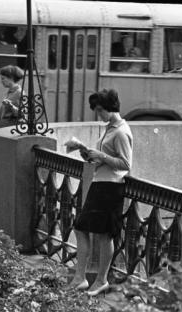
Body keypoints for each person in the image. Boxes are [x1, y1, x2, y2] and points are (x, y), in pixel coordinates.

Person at [68, 89, 133, 296]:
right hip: (101, 184)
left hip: (111, 187)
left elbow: (125, 164)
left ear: (108, 109)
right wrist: (86, 153)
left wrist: (101, 156)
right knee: (81, 227)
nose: (98, 114)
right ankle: (81, 278)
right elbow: (102, 159)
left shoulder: (121, 131)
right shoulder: (110, 128)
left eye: (99, 110)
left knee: (105, 235)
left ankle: (100, 280)